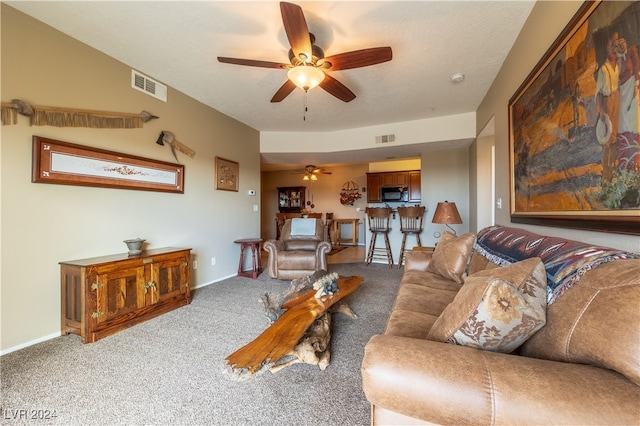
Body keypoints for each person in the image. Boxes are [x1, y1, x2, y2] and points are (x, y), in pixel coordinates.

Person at [595, 32, 620, 182]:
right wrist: (602, 112)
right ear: (607, 47)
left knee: (614, 138)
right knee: (606, 140)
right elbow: (598, 94)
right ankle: (606, 175)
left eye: (615, 44)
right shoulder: (603, 70)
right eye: (612, 44)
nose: (614, 47)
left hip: (617, 99)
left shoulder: (618, 65)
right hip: (607, 101)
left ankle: (613, 171)